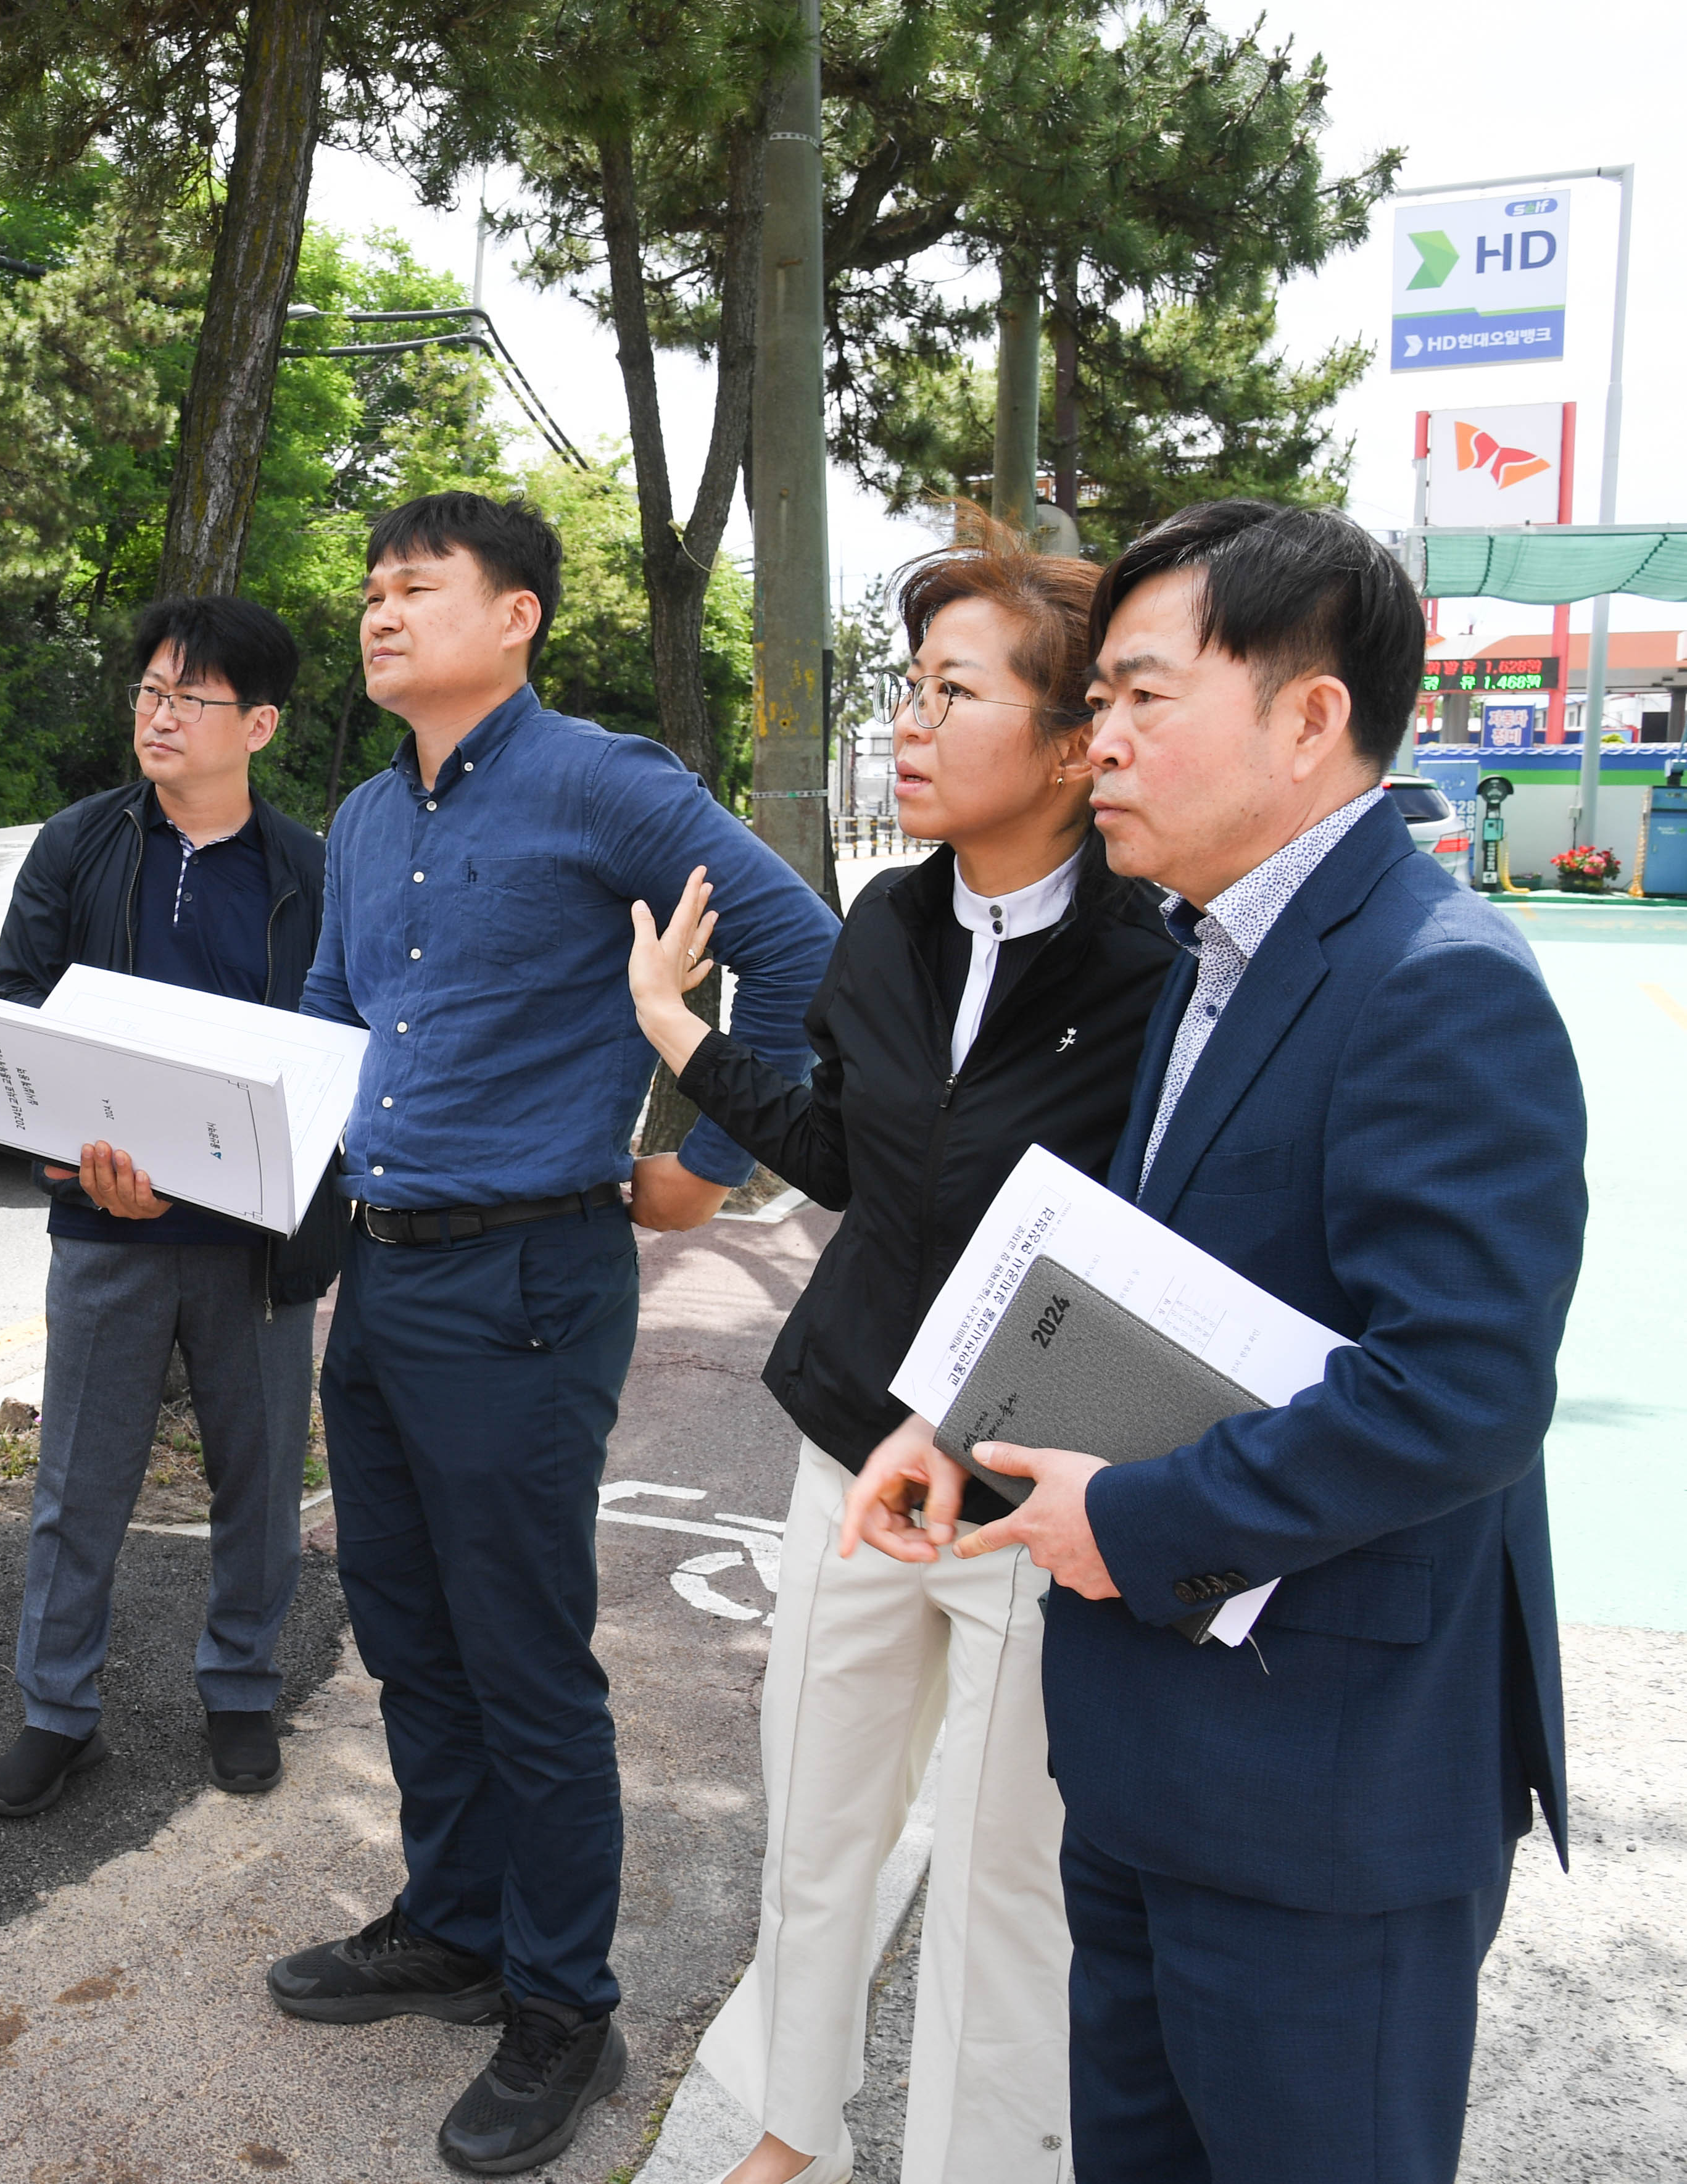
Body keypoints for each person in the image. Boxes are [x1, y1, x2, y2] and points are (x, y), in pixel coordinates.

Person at [844, 500, 1583, 2184]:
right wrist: (957, 1422)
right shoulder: (1206, 953)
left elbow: (1455, 1385)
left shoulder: (1431, 977)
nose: (1094, 738)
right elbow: (1143, 1282)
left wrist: (1132, 1522)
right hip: (1154, 1759)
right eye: (1092, 700)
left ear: (1309, 716)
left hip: (1321, 1787)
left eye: (1141, 698)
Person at [265, 491, 842, 2177]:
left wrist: (711, 1161)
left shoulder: (601, 780)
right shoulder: (367, 813)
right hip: (379, 1275)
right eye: (366, 588)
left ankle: (560, 2006)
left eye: (416, 587)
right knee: (406, 1627)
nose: (378, 612)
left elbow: (799, 948)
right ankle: (450, 1925)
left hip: (526, 1279)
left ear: (514, 616)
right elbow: (327, 1017)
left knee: (518, 1651)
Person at [623, 530, 1177, 2184]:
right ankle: (794, 2124)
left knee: (1010, 1875)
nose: (907, 728)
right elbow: (853, 1158)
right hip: (845, 1434)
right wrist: (674, 1032)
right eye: (904, 690)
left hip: (1033, 1477)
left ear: (1076, 738)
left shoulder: (1156, 965)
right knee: (817, 1821)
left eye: (953, 691)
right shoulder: (884, 921)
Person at [0, 595, 341, 1820]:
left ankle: (240, 1687)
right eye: (149, 692)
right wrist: (67, 1165)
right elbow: (18, 1013)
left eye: (192, 696)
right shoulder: (79, 845)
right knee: (78, 1485)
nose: (161, 714)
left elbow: (342, 1054)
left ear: (262, 725)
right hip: (105, 1229)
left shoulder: (311, 875)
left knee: (260, 1479)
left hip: (253, 1247)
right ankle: (55, 1711)